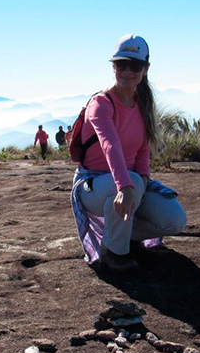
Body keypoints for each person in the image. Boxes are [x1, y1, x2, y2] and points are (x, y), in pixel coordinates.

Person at [70, 34, 187, 272]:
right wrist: (126, 187)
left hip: (129, 184)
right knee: (129, 180)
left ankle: (125, 236)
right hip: (92, 186)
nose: (127, 71)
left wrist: (142, 181)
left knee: (174, 220)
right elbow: (109, 145)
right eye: (121, 64)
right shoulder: (101, 103)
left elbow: (143, 149)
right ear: (113, 65)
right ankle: (114, 252)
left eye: (135, 65)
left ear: (146, 68)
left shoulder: (142, 103)